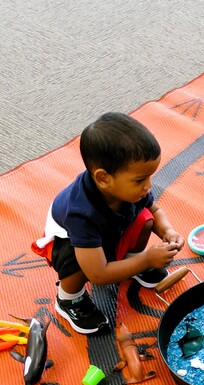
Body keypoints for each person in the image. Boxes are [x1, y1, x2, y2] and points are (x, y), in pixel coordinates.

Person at [32, 112, 184, 335]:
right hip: (71, 246)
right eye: (140, 179)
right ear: (103, 178)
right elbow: (98, 275)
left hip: (107, 235)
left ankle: (129, 261)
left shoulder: (130, 190)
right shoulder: (81, 213)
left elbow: (155, 210)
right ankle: (69, 299)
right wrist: (148, 259)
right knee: (76, 261)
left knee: (145, 219)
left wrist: (168, 231)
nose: (148, 186)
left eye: (150, 176)